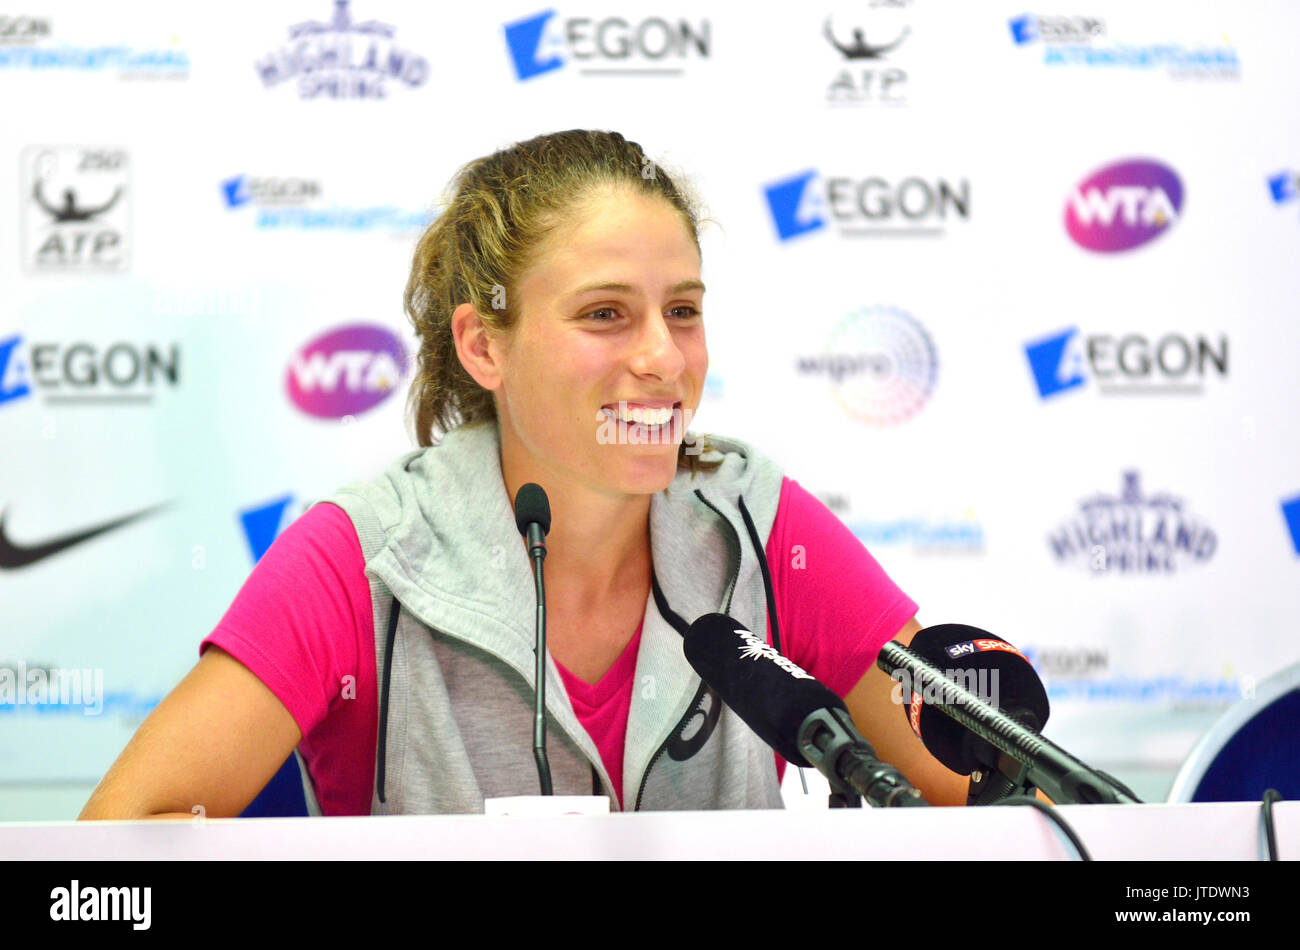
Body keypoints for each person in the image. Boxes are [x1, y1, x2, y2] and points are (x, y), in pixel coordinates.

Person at [80, 130, 968, 820]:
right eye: (606, 314)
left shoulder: (761, 528)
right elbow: (114, 844)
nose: (663, 357)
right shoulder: (362, 557)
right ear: (481, 344)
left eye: (684, 311)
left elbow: (985, 795)